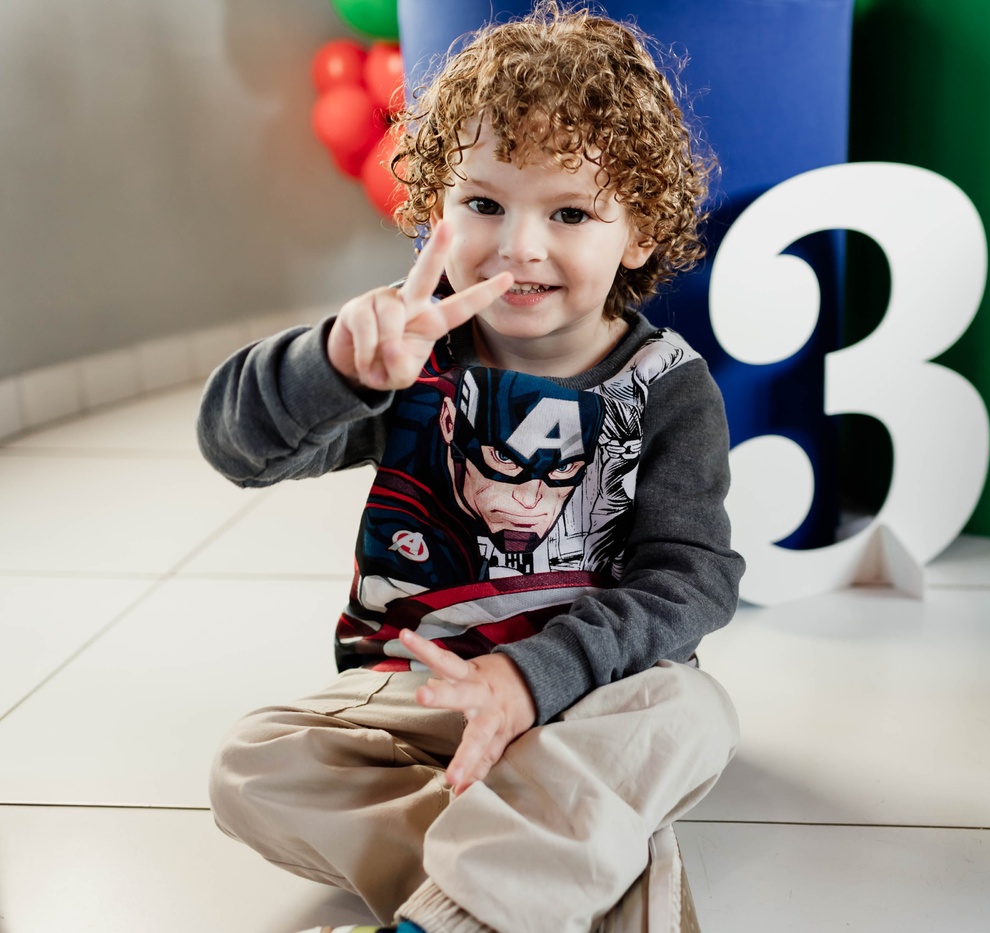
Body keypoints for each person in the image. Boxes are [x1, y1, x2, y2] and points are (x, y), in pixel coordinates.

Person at [198, 4, 744, 931]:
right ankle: (547, 862)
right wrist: (333, 366)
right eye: (484, 204)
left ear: (640, 232)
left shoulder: (668, 386)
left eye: (569, 212)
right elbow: (235, 446)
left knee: (695, 713)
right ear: (435, 209)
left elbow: (691, 580)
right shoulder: (402, 351)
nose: (519, 245)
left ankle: (463, 900)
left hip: (595, 698)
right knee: (251, 765)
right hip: (426, 696)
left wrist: (533, 678)